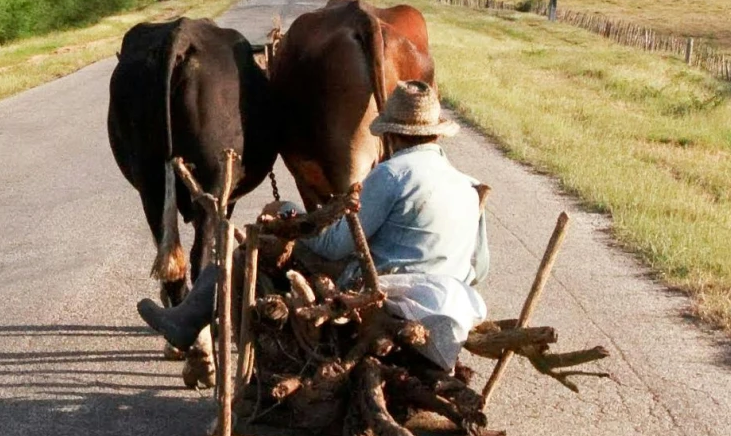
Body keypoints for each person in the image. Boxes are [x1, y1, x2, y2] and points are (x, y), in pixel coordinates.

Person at [135, 81, 491, 371]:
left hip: (384, 290)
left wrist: (288, 215)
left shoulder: (393, 174)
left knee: (250, 250)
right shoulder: (468, 185)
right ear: (436, 136)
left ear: (392, 136)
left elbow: (336, 246)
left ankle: (189, 320)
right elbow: (480, 268)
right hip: (450, 295)